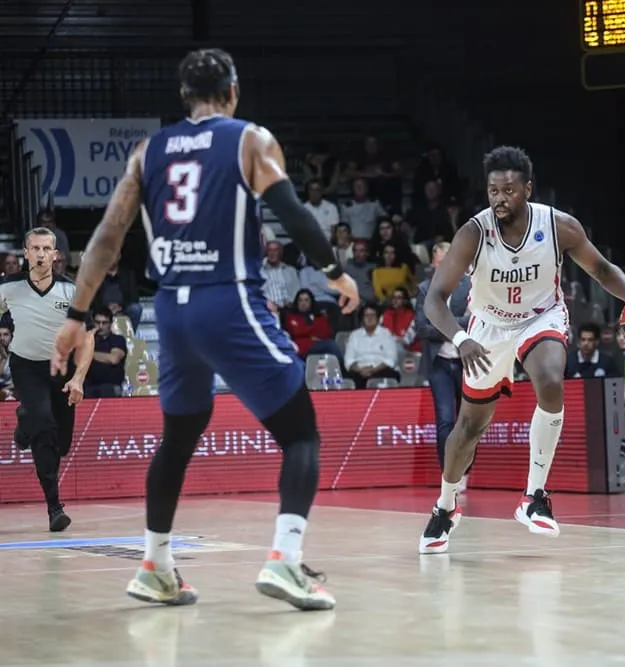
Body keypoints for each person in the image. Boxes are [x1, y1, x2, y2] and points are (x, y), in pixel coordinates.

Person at [50, 48, 359, 611]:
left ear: (183, 97)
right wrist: (335, 271)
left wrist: (75, 316)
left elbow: (106, 239)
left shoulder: (149, 150)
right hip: (228, 301)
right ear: (233, 91)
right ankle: (286, 562)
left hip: (170, 309)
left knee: (180, 437)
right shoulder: (249, 140)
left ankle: (155, 565)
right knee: (301, 434)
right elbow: (292, 213)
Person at [418, 146, 625, 554]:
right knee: (468, 428)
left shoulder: (560, 226)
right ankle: (445, 506)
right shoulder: (473, 232)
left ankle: (535, 495)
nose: (500, 198)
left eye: (508, 190)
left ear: (528, 189)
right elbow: (435, 299)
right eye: (493, 190)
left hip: (541, 316)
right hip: (487, 325)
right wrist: (462, 339)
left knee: (551, 380)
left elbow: (603, 270)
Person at [1, 227, 95, 531]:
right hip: (26, 367)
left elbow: (88, 338)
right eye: (35, 248)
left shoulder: (71, 291)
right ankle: (55, 508)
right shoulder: (8, 287)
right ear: (25, 253)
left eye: (46, 249)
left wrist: (78, 378)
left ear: (55, 255)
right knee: (44, 428)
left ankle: (24, 420)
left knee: (61, 444)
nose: (41, 254)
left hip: (62, 370)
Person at [415, 241, 474, 479]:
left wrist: (443, 323)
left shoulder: (470, 285)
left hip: (467, 362)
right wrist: (455, 323)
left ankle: (465, 469)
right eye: (440, 262)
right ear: (433, 263)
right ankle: (448, 473)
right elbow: (421, 328)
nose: (444, 266)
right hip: (438, 362)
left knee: (468, 421)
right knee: (445, 420)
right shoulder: (424, 288)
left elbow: (475, 322)